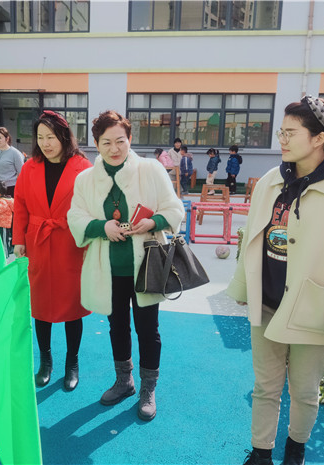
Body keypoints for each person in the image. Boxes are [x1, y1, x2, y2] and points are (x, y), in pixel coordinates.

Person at [226, 96, 324, 465]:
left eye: (290, 133)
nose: (282, 139)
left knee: (305, 391)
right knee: (265, 386)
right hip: (268, 303)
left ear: (318, 138)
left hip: (314, 309)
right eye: (281, 132)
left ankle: (296, 448)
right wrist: (244, 286)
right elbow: (253, 238)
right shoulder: (271, 181)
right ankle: (261, 452)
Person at [68, 110, 184, 421]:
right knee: (117, 326)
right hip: (108, 269)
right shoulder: (86, 179)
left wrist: (154, 221)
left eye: (120, 140)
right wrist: (101, 227)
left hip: (146, 266)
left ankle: (148, 387)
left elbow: (175, 208)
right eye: (106, 142)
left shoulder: (150, 169)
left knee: (148, 329)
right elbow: (75, 216)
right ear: (96, 144)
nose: (114, 148)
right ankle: (124, 381)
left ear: (130, 139)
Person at [13, 110, 92, 392]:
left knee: (72, 307)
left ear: (64, 136)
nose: (45, 143)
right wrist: (18, 239)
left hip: (70, 243)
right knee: (41, 306)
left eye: (51, 137)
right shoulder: (29, 167)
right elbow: (20, 204)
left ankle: (72, 362)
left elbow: (91, 207)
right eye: (40, 137)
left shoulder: (83, 167)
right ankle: (45, 362)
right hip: (37, 242)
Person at [0, 127, 24, 198]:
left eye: (0, 138)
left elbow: (22, 173)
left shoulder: (15, 153)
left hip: (10, 188)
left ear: (7, 138)